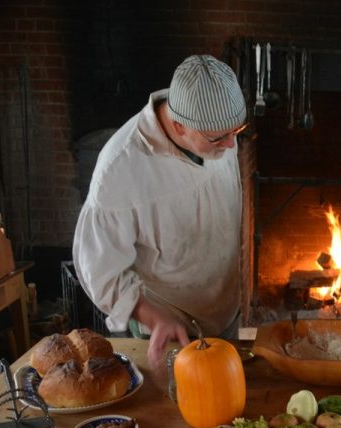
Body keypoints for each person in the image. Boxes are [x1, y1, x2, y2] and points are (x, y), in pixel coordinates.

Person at [73, 55, 247, 370]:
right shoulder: (120, 169)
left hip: (225, 312)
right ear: (178, 125)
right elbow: (99, 271)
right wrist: (153, 315)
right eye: (219, 138)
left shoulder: (215, 130)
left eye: (237, 130)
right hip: (171, 330)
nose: (232, 146)